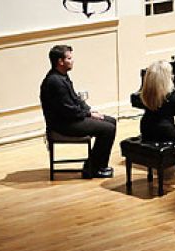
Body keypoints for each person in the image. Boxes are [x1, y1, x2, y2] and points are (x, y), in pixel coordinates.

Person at [40, 44, 117, 179]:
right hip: (64, 124)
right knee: (108, 129)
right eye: (69, 58)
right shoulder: (55, 82)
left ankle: (94, 165)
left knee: (111, 121)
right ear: (60, 61)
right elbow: (68, 111)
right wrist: (89, 114)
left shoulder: (62, 77)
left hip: (70, 119)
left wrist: (89, 110)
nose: (72, 60)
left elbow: (75, 99)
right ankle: (94, 169)